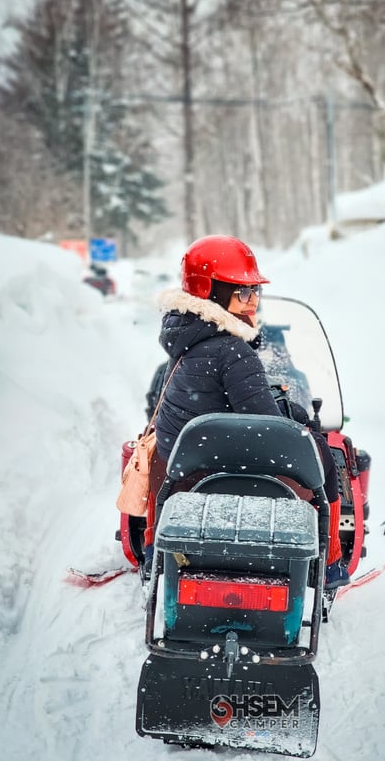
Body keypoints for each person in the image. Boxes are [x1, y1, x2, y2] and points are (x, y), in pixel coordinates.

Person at [147, 234, 349, 589]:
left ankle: (152, 548)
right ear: (213, 293)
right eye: (243, 292)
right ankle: (331, 562)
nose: (253, 300)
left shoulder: (187, 339)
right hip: (218, 466)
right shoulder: (232, 349)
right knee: (322, 453)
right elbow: (269, 427)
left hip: (187, 464)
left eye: (256, 292)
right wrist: (297, 420)